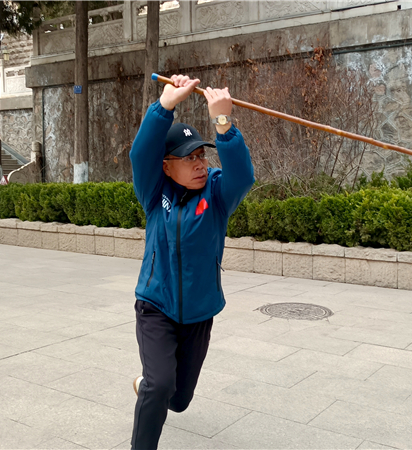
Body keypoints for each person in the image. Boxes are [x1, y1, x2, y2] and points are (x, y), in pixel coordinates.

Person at [128, 74, 255, 449]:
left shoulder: (216, 193)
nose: (199, 164)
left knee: (179, 400)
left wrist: (223, 122)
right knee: (160, 385)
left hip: (199, 313)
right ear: (167, 166)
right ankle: (151, 393)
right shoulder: (155, 192)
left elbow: (242, 177)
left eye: (201, 156)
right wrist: (164, 105)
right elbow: (140, 155)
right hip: (156, 306)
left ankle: (149, 387)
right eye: (188, 159)